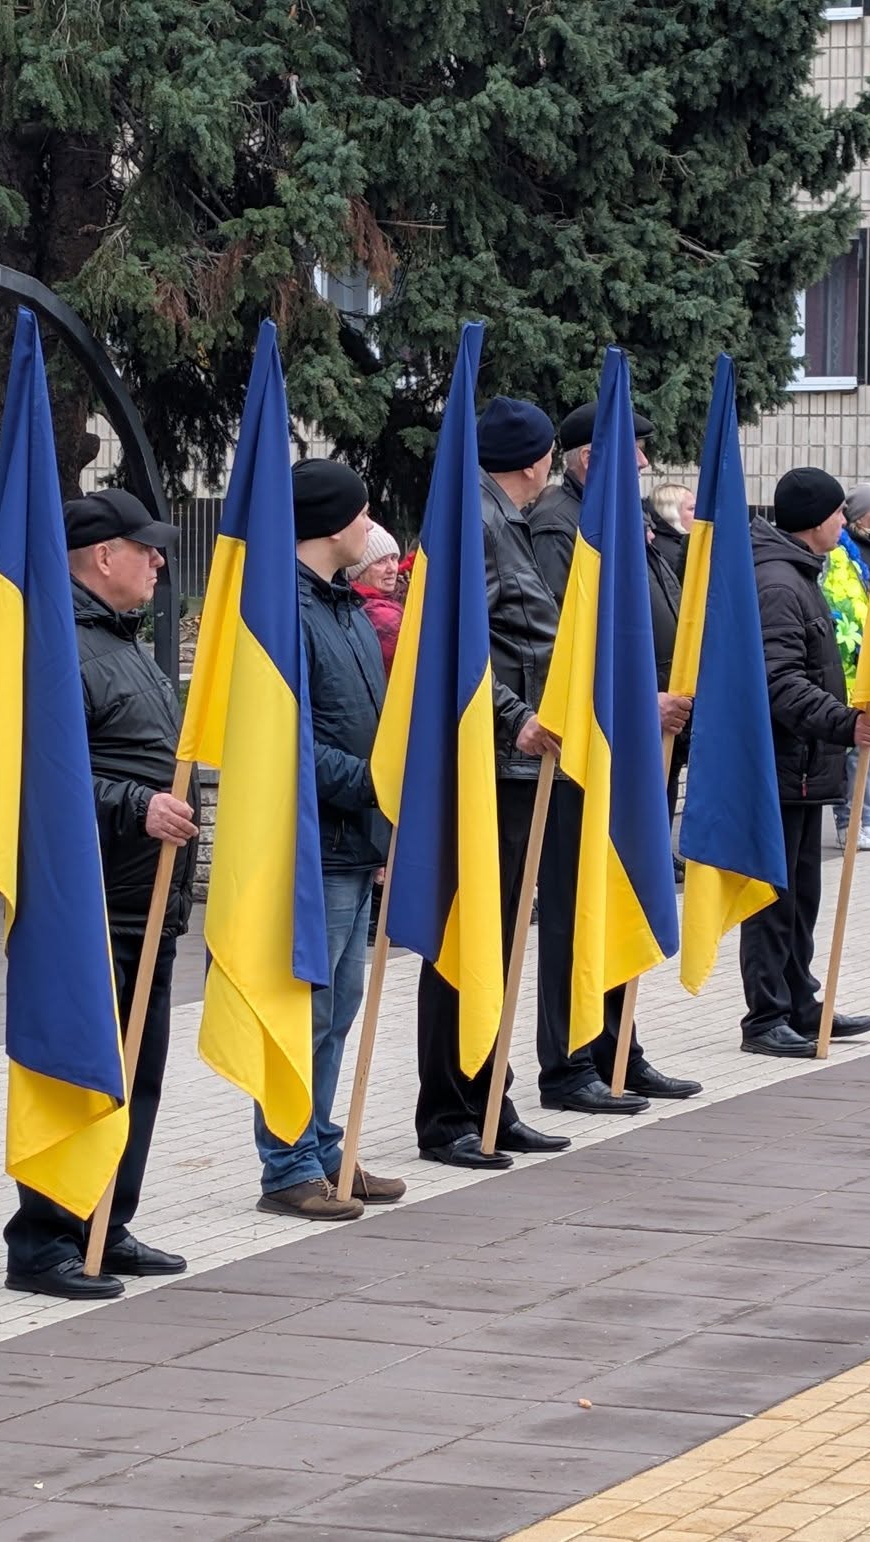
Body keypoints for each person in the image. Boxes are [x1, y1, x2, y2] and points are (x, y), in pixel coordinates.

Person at [3, 488, 199, 1300]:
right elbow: (34, 778)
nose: (158, 562)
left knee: (136, 1074)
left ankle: (104, 1223)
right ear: (103, 556)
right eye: (145, 549)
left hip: (145, 902)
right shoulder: (61, 649)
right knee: (81, 1071)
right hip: (92, 907)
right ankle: (46, 1240)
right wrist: (135, 805)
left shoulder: (122, 643)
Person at [524, 403, 702, 1111]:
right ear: (592, 458)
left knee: (623, 894)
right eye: (635, 452)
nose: (646, 465)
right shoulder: (558, 524)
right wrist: (637, 703)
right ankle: (570, 1064)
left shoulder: (627, 521)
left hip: (642, 743)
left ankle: (618, 1047)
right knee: (577, 907)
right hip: (591, 750)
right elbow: (561, 648)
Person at [411, 397, 572, 1170]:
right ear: (537, 462)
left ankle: (490, 1100)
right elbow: (454, 647)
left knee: (501, 940)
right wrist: (515, 719)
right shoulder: (478, 523)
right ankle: (450, 1113)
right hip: (493, 763)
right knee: (470, 939)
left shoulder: (498, 520)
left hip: (514, 760)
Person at [253, 461, 408, 1220]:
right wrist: (377, 785)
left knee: (339, 1007)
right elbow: (282, 738)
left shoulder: (341, 604)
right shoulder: (286, 607)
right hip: (315, 843)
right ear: (331, 522)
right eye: (362, 512)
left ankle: (320, 1148)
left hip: (355, 840)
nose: (370, 525)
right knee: (307, 1009)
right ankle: (287, 1164)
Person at [741, 468, 870, 1060]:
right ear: (816, 520)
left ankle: (800, 1001)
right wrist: (843, 723)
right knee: (774, 900)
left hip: (802, 768)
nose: (844, 523)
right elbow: (779, 682)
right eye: (837, 514)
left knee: (802, 896)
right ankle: (765, 1016)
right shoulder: (778, 582)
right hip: (783, 765)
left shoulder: (799, 573)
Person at [823, 482, 870, 852]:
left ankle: (866, 820)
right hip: (852, 666)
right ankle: (851, 823)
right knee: (855, 750)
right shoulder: (842, 553)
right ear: (859, 516)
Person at [345, 520, 405, 674]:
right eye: (380, 562)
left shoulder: (389, 599)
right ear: (359, 572)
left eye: (394, 558)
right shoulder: (381, 615)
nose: (392, 569)